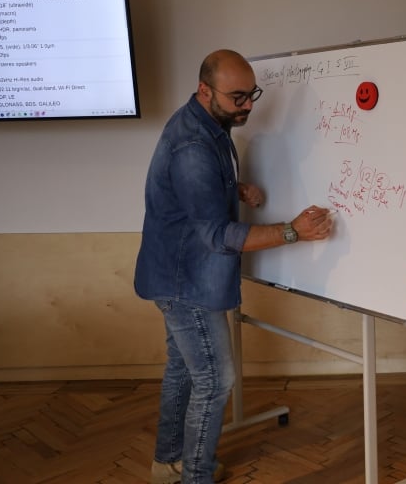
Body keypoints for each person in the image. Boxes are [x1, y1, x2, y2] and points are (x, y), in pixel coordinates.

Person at [134, 49, 332, 484]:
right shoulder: (192, 147)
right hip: (186, 283)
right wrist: (293, 231)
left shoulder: (207, 123)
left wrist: (234, 187)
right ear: (205, 91)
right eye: (238, 97)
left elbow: (191, 195)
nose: (249, 106)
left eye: (252, 94)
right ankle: (196, 476)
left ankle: (167, 464)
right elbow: (218, 236)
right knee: (215, 380)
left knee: (184, 369)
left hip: (174, 272)